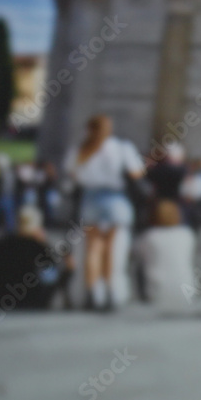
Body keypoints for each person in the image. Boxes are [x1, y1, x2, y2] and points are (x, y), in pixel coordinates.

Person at [63, 114, 145, 312]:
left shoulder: (81, 150)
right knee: (110, 248)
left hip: (91, 198)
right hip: (115, 198)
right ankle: (109, 291)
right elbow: (136, 172)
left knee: (93, 249)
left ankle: (92, 291)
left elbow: (72, 174)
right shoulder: (120, 148)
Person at [0, 205, 74, 310]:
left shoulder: (0, 245)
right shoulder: (40, 248)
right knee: (51, 274)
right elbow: (53, 279)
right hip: (31, 303)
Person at [133, 199, 196, 315]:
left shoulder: (149, 236)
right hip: (186, 291)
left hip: (157, 291)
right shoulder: (187, 234)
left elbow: (135, 254)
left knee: (140, 265)